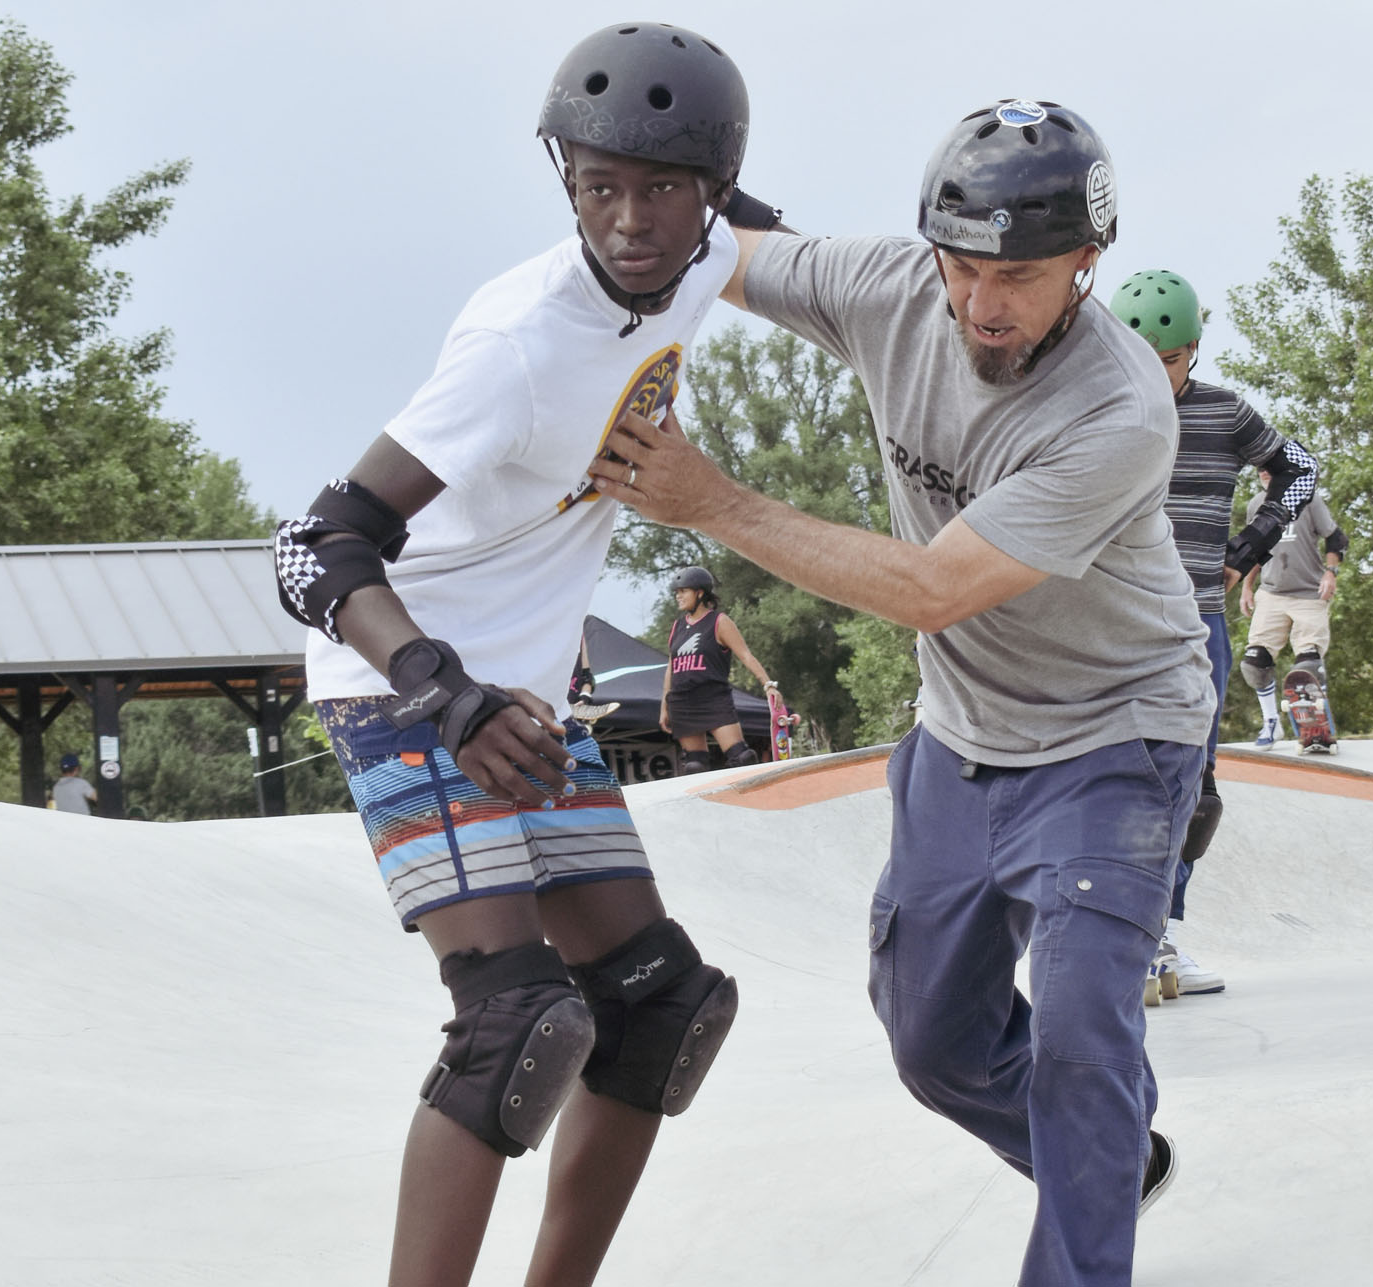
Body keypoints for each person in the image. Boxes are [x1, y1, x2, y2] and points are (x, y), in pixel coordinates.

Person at [590, 98, 1213, 1286]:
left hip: (1113, 741)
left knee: (1084, 1037)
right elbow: (728, 251)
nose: (983, 303)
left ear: (1089, 262)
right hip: (963, 739)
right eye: (962, 266)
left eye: (1022, 275)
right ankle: (1101, 1160)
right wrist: (636, 176)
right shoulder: (889, 284)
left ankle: (1083, 1227)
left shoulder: (1117, 408)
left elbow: (934, 590)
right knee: (932, 1044)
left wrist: (710, 501)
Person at [272, 24, 760, 1286]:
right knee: (517, 1024)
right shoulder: (517, 345)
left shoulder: (711, 257)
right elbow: (313, 551)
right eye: (599, 188)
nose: (630, 223)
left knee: (660, 1005)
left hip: (527, 699)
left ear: (713, 191)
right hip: (409, 686)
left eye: (660, 190)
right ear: (567, 182)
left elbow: (846, 272)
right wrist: (445, 690)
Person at [1109, 269, 1320, 996]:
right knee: (1117, 779)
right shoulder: (1099, 410)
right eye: (1139, 359)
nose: (1153, 375)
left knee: (1194, 793)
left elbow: (1299, 471)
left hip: (1200, 625)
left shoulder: (1226, 413)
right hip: (1115, 624)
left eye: (1166, 361)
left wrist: (1246, 551)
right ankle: (1109, 933)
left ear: (1191, 350)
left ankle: (1156, 936)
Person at [1238, 471, 1347, 744]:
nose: (1264, 471)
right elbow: (1255, 551)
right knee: (1254, 662)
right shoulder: (1256, 505)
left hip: (1309, 594)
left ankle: (1316, 724)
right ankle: (1271, 723)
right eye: (1260, 467)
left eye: (1269, 466)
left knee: (1308, 664)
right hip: (1271, 594)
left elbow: (1336, 539)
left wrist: (1330, 572)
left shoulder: (1308, 500)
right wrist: (1246, 587)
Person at [660, 565, 773, 771]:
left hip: (713, 698)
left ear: (700, 592)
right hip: (682, 702)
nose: (678, 596)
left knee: (742, 758)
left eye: (683, 591)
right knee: (695, 767)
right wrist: (664, 706)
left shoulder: (719, 622)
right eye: (677, 592)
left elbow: (746, 655)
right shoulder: (677, 626)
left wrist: (768, 685)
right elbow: (671, 667)